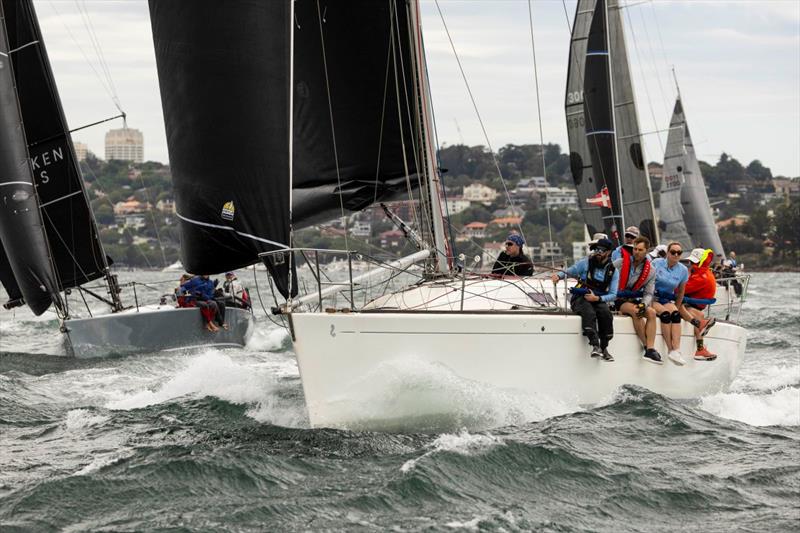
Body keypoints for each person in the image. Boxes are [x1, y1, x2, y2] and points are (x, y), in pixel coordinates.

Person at [551, 238, 618, 361]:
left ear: (608, 252)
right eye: (596, 249)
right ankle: (595, 345)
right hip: (580, 297)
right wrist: (558, 276)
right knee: (589, 312)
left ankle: (604, 347)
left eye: (601, 250)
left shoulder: (613, 271)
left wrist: (597, 298)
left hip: (597, 298)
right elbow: (570, 271)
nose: (597, 252)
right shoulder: (586, 262)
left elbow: (613, 294)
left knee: (606, 314)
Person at [612, 236, 662, 364]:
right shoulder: (620, 263)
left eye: (640, 250)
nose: (636, 252)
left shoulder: (651, 271)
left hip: (633, 299)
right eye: (635, 249)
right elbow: (605, 277)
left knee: (651, 312)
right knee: (635, 311)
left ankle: (650, 347)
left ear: (646, 251)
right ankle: (647, 347)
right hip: (616, 299)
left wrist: (644, 304)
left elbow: (649, 293)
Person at [652, 242, 689, 365]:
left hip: (667, 299)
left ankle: (676, 350)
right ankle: (670, 349)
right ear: (667, 253)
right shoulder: (656, 263)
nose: (676, 255)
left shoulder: (683, 270)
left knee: (676, 315)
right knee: (666, 315)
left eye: (679, 253)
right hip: (652, 297)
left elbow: (681, 292)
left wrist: (677, 307)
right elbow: (646, 281)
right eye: (673, 252)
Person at [679, 248, 717, 361]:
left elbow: (680, 289)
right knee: (699, 316)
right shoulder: (704, 272)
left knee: (698, 315)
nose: (691, 264)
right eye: (691, 261)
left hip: (688, 305)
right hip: (692, 305)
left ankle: (700, 349)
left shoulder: (700, 276)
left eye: (693, 262)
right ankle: (700, 349)